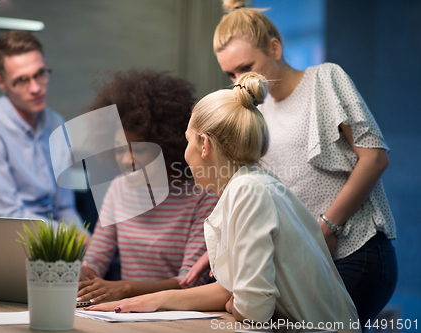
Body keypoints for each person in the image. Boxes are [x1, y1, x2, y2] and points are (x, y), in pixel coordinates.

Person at [85, 72, 360, 332]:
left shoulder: (247, 192)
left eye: (188, 141)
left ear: (204, 145)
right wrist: (147, 302)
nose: (185, 154)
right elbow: (228, 290)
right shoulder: (253, 183)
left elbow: (253, 309)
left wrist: (236, 303)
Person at [206, 0, 397, 327]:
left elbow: (375, 158)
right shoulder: (256, 115)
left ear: (275, 48)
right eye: (230, 73)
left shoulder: (325, 80)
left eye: (245, 66)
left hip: (355, 251)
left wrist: (328, 226)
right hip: (306, 262)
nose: (239, 80)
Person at [76, 70, 218, 305]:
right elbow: (96, 259)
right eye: (120, 150)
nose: (127, 160)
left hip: (179, 315)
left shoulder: (202, 194)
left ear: (167, 147)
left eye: (139, 150)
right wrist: (83, 271)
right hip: (127, 315)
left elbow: (190, 281)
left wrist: (125, 289)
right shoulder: (118, 189)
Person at [0, 30, 84, 229]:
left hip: (53, 246)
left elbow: (65, 207)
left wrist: (85, 240)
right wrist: (68, 236)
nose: (35, 88)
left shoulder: (56, 123)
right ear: (2, 83)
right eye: (22, 80)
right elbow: (6, 216)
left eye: (40, 74)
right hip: (1, 247)